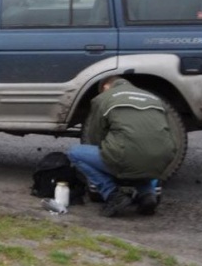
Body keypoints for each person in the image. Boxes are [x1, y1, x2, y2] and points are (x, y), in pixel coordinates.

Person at [68, 75, 178, 217]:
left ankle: (112, 194)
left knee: (75, 153)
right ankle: (147, 194)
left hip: (125, 157)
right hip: (162, 158)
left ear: (106, 87)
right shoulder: (154, 98)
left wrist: (110, 154)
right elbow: (171, 134)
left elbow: (95, 136)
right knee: (147, 157)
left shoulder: (103, 98)